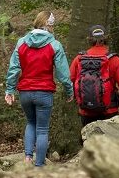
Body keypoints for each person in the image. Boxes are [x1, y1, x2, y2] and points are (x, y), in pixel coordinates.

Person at [4, 10, 74, 166]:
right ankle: (39, 166)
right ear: (48, 25)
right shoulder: (54, 45)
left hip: (25, 92)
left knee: (30, 123)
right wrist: (70, 90)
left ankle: (28, 158)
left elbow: (14, 68)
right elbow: (63, 74)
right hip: (44, 92)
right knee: (42, 129)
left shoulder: (21, 42)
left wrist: (9, 90)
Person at [70, 25, 119, 126]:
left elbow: (70, 82)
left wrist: (80, 100)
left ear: (89, 39)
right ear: (106, 38)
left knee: (90, 141)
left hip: (86, 112)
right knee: (108, 142)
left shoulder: (79, 59)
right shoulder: (115, 60)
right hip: (109, 112)